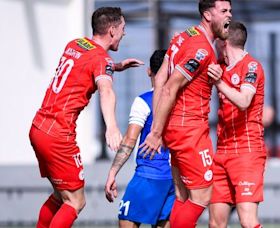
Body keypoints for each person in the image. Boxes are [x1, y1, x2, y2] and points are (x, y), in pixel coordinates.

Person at [29, 7, 144, 227]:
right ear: (112, 30)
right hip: (58, 134)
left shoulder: (75, 44)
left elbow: (84, 67)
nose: (124, 33)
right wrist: (111, 126)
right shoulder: (102, 60)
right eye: (122, 28)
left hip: (39, 127)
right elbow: (106, 91)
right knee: (75, 202)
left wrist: (115, 67)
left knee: (60, 196)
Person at [139, 1, 232, 227]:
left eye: (230, 10)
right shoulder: (199, 49)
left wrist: (160, 127)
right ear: (208, 15)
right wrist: (155, 132)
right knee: (202, 196)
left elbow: (160, 79)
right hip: (189, 131)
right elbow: (170, 86)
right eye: (224, 11)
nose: (230, 15)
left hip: (176, 128)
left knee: (182, 196)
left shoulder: (183, 37)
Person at [104, 49, 175, 228]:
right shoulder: (180, 101)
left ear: (149, 71)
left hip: (149, 176)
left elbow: (130, 139)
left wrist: (112, 173)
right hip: (174, 179)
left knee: (126, 220)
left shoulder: (144, 101)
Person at [207, 21, 267, 228]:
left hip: (247, 152)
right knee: (215, 222)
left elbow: (244, 101)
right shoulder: (220, 66)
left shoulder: (251, 66)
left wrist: (219, 83)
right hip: (222, 152)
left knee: (247, 221)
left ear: (224, 42)